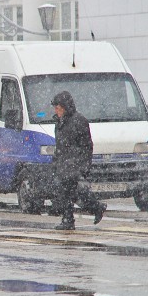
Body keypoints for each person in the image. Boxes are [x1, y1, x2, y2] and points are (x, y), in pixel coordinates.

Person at [51, 91, 107, 230]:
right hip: (63, 164)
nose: (56, 111)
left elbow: (87, 145)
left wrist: (84, 165)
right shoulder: (59, 122)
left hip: (75, 164)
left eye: (58, 108)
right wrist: (56, 161)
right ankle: (69, 219)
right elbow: (60, 145)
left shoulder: (79, 121)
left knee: (75, 193)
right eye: (55, 108)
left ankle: (95, 208)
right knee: (65, 193)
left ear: (65, 107)